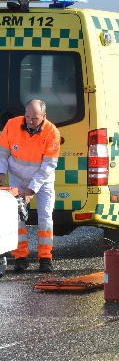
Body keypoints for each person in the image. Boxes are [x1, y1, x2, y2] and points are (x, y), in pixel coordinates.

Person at [0, 99, 61, 272]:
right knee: (17, 219)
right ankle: (20, 257)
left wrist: (32, 189)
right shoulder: (12, 125)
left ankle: (45, 258)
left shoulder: (52, 133)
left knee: (45, 219)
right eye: (27, 116)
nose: (30, 121)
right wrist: (1, 172)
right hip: (17, 178)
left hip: (42, 181)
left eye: (34, 118)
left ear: (44, 116)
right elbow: (3, 152)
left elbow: (48, 166)